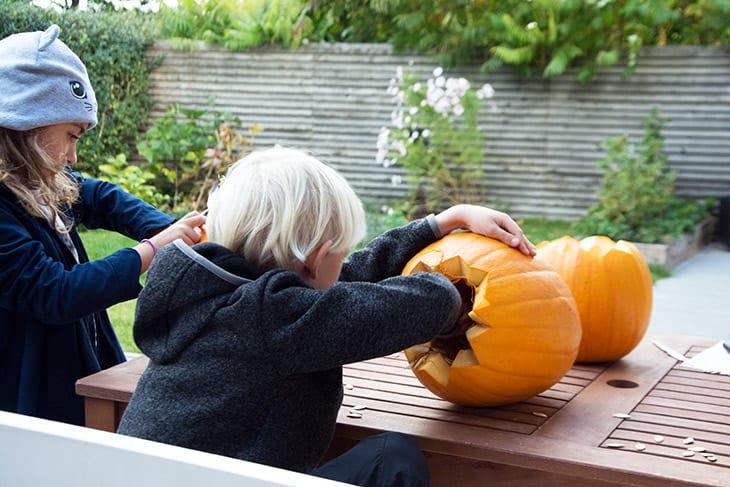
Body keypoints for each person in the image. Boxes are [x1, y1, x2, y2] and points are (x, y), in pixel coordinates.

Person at [117, 146, 535, 485]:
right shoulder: (274, 319)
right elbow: (395, 310)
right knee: (391, 460)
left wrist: (442, 223)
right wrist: (451, 296)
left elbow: (339, 285)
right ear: (317, 259)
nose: (344, 265)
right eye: (339, 254)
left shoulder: (215, 298)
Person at [0, 24, 206, 426]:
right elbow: (56, 293)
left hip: (75, 367)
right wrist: (152, 249)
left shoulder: (36, 181)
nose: (75, 155)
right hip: (28, 401)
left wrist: (179, 229)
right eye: (72, 134)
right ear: (29, 121)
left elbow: (102, 198)